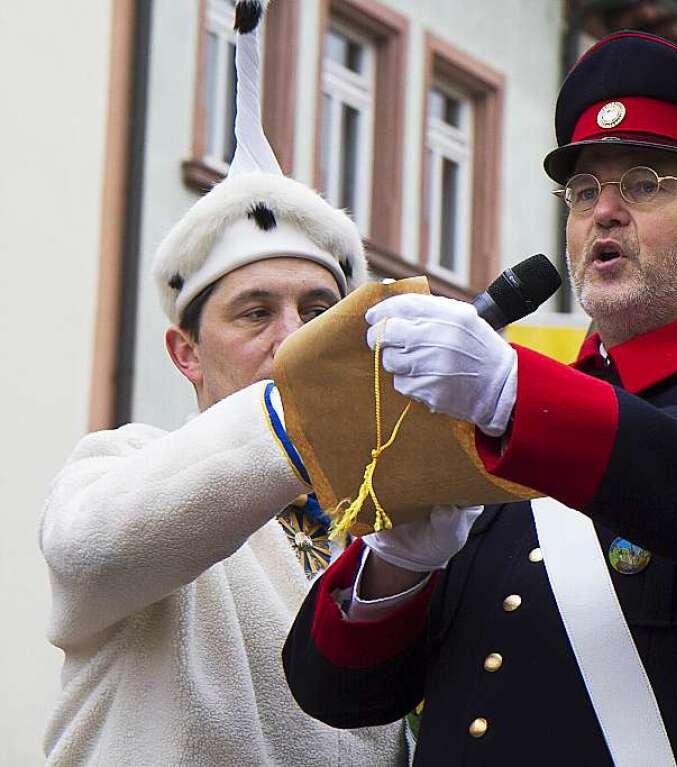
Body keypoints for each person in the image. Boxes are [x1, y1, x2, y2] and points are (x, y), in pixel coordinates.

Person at [282, 31, 677, 766]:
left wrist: (520, 398)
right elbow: (336, 694)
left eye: (642, 184)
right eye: (582, 192)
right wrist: (394, 566)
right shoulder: (491, 411)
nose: (602, 212)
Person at [38, 2, 403, 764]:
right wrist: (302, 405)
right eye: (255, 312)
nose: (294, 339)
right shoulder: (122, 464)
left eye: (317, 312)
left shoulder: (389, 522)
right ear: (186, 354)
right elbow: (91, 547)